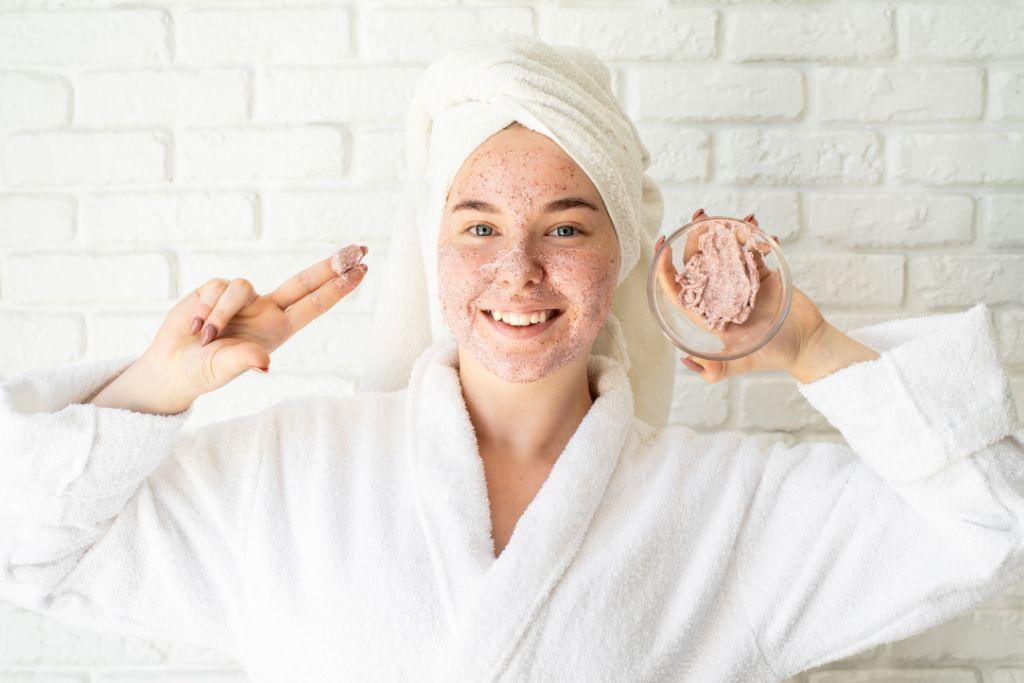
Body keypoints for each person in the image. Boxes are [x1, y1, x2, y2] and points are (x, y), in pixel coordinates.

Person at [1, 34, 1023, 683]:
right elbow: (28, 549)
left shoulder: (725, 509)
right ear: (430, 247)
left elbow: (989, 526)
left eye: (568, 228)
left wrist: (804, 344)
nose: (520, 271)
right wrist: (153, 391)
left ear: (620, 248)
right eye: (479, 228)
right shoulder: (286, 472)